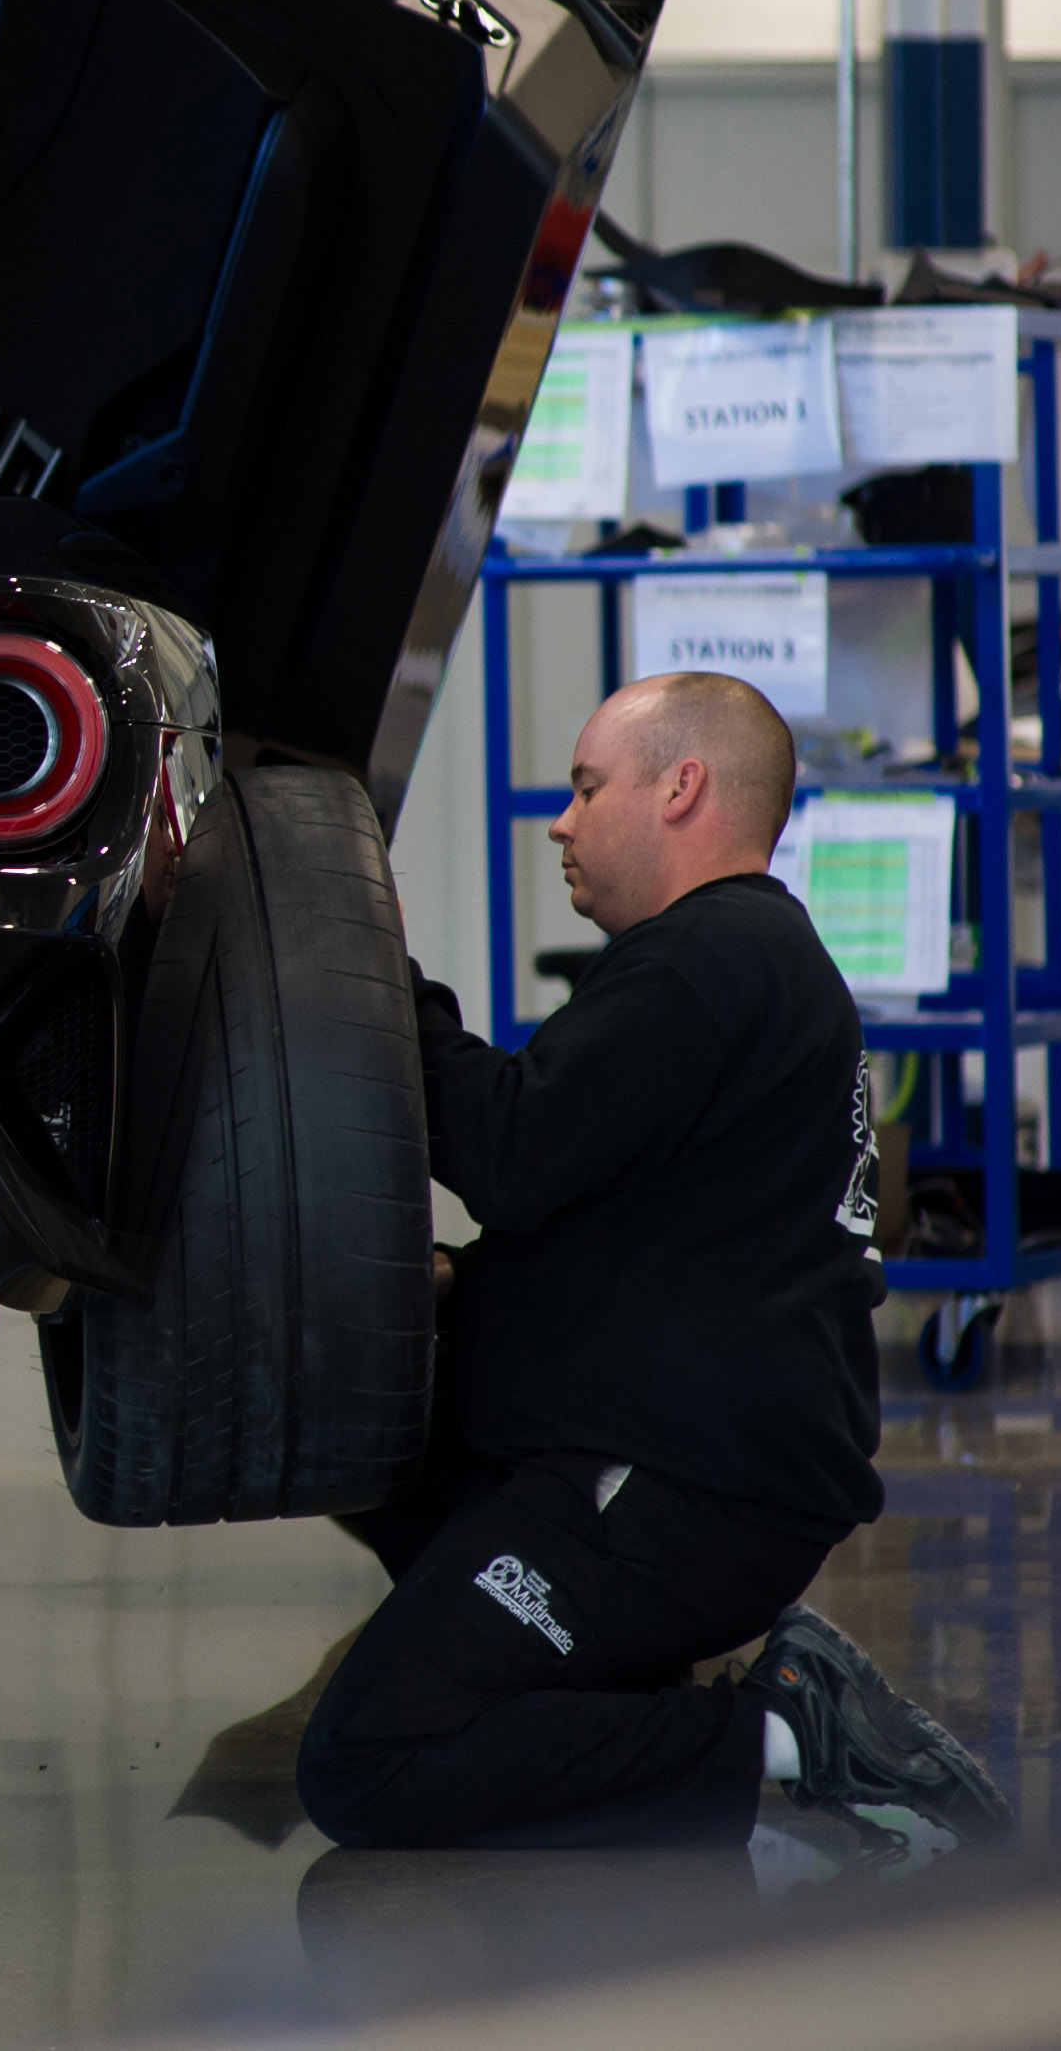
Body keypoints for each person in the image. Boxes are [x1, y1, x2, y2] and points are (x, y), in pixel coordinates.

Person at [298, 671, 1011, 1852]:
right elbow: (628, 1221)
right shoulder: (739, 959)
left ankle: (789, 1738)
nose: (560, 822)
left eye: (585, 787)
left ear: (679, 788)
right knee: (382, 1445)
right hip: (694, 1477)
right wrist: (465, 1290)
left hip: (668, 1496)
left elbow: (510, 1148)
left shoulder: (703, 962)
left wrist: (365, 980)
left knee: (369, 1758)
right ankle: (612, 1695)